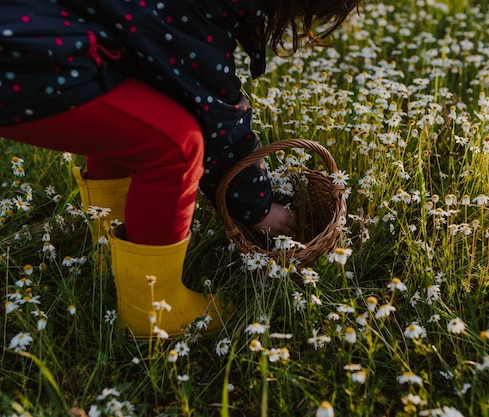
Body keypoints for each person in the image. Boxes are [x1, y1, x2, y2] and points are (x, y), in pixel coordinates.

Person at [0, 0, 362, 338]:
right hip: (31, 59)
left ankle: (106, 249)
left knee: (136, 117)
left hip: (31, 34)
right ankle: (153, 307)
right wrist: (258, 209)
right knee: (176, 145)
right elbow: (215, 116)